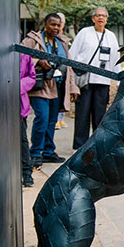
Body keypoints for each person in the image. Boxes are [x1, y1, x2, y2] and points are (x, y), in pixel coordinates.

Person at [22, 13, 79, 167]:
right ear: (45, 24)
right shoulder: (32, 40)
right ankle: (35, 153)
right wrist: (39, 61)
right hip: (41, 85)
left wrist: (73, 87)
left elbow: (68, 65)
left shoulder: (62, 42)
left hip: (58, 85)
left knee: (52, 120)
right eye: (52, 24)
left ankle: (48, 151)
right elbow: (22, 59)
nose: (55, 28)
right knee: (42, 117)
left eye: (58, 25)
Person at [70, 7, 121, 149]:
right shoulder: (84, 33)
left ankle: (97, 146)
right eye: (98, 15)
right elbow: (72, 55)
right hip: (85, 80)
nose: (101, 18)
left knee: (100, 116)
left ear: (107, 19)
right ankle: (79, 147)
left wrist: (117, 81)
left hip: (102, 81)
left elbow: (115, 58)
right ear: (93, 18)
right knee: (82, 115)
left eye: (104, 16)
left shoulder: (111, 36)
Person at [20, 53, 37, 187]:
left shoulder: (24, 55)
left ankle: (27, 173)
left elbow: (32, 77)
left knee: (22, 140)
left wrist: (18, 85)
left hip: (19, 106)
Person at [55, 13, 69, 130]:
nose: (57, 27)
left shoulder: (64, 39)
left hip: (63, 77)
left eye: (60, 24)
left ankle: (60, 119)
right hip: (50, 78)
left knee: (63, 98)